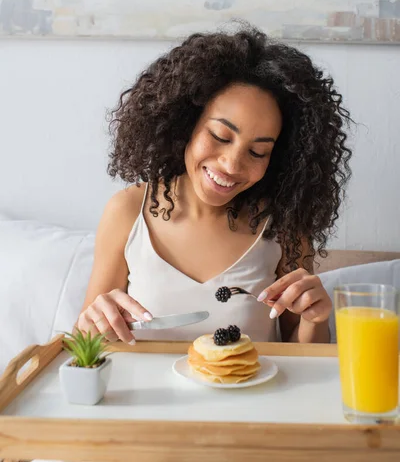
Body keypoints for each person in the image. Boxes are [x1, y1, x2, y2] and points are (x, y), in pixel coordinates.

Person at [76, 24, 352, 344]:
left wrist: (315, 318)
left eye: (257, 151)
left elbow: (303, 354)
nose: (232, 165)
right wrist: (92, 321)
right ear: (186, 122)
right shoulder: (127, 211)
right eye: (220, 136)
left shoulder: (284, 225)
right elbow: (83, 347)